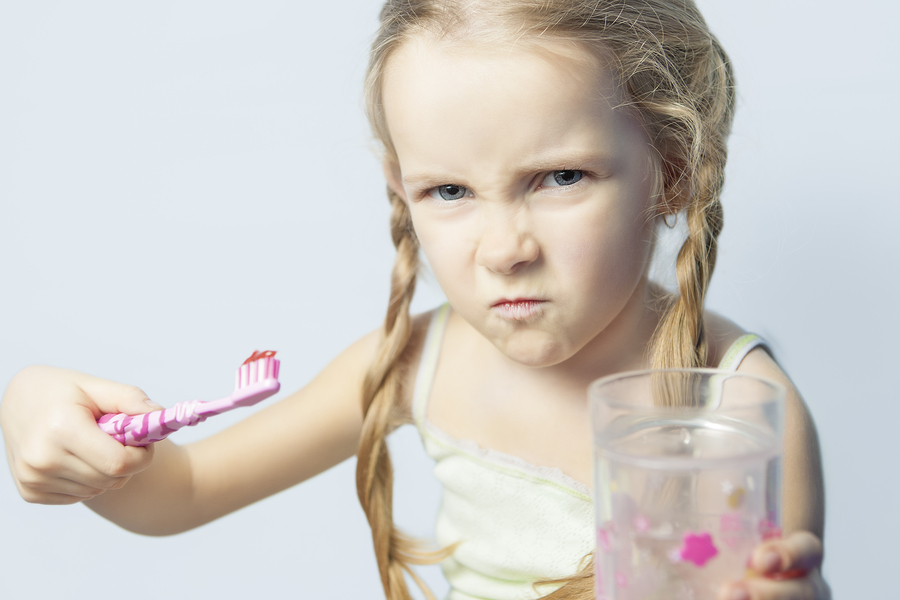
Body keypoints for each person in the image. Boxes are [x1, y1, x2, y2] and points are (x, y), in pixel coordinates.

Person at [0, 1, 828, 599]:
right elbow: (178, 494)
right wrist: (42, 411)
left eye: (561, 177)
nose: (504, 249)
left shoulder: (743, 411)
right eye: (449, 191)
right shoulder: (415, 364)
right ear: (400, 189)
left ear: (672, 171)